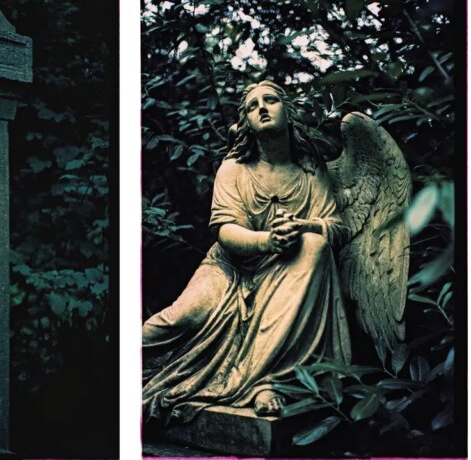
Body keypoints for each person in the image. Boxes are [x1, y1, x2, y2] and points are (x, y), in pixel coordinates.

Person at [142, 81, 350, 420]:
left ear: (287, 111)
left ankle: (270, 382)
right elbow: (225, 230)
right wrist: (267, 240)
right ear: (246, 123)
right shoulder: (234, 169)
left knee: (316, 245)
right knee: (180, 317)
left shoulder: (311, 170)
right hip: (230, 268)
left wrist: (304, 227)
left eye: (270, 100)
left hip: (287, 270)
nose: (262, 108)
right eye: (253, 106)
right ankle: (116, 371)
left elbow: (337, 227)